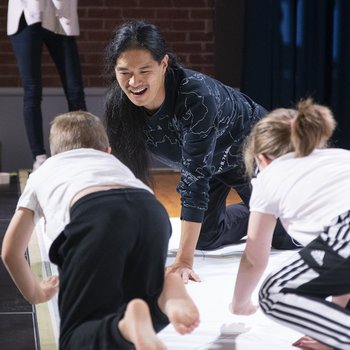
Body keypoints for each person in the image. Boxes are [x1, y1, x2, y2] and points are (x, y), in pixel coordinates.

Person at [104, 19, 299, 283]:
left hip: (251, 150)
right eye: (124, 72)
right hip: (211, 164)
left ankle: (284, 207)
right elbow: (125, 177)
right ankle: (258, 210)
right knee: (206, 237)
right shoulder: (120, 107)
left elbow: (195, 177)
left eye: (144, 70)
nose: (134, 81)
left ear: (164, 64)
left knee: (287, 236)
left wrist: (184, 260)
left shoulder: (195, 97)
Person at [1, 111, 200, 350]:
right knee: (141, 306)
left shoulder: (44, 170)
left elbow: (11, 251)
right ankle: (166, 296)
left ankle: (129, 324)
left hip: (93, 213)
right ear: (107, 151)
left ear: (55, 154)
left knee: (76, 337)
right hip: (150, 212)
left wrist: (37, 294)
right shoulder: (114, 164)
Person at [229, 98, 350, 350]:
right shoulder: (340, 157)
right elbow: (341, 274)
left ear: (261, 158)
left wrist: (240, 304)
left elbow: (254, 258)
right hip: (343, 243)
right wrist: (328, 330)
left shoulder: (269, 177)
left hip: (345, 231)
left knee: (273, 293)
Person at [7, 0, 86, 170]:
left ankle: (83, 149)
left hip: (59, 14)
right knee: (32, 90)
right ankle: (39, 157)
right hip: (26, 13)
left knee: (75, 90)